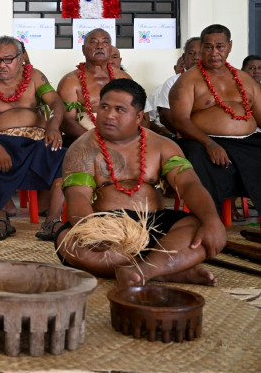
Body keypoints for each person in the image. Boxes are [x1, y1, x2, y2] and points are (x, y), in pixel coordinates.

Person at [54, 79, 226, 287]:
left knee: (201, 228)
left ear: (138, 117)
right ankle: (166, 269)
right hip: (107, 228)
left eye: (119, 109)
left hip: (155, 224)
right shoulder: (82, 149)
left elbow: (189, 184)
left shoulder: (162, 145)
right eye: (104, 107)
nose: (109, 115)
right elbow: (77, 196)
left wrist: (212, 220)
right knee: (68, 241)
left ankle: (143, 270)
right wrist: (92, 230)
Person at [0, 36, 66, 241]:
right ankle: (1, 218)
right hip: (3, 143)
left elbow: (56, 102)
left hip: (37, 142)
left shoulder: (35, 77)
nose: (1, 65)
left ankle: (52, 220)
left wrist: (54, 126)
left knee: (66, 156)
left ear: (21, 59)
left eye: (8, 59)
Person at [168, 24, 261, 214]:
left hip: (248, 142)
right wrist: (209, 144)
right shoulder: (188, 80)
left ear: (230, 46)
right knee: (198, 158)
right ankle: (209, 219)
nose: (214, 52)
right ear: (201, 47)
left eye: (220, 46)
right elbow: (180, 121)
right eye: (208, 47)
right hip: (202, 141)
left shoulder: (245, 79)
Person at [57, 28, 132, 142]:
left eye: (105, 42)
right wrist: (95, 141)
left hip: (120, 138)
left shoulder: (124, 78)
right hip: (85, 139)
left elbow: (133, 112)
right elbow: (66, 120)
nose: (100, 46)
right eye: (93, 42)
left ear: (110, 49)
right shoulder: (70, 81)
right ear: (83, 49)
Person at [145, 37, 201, 136]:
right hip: (180, 135)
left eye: (200, 53)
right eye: (191, 53)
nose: (196, 57)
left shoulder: (217, 80)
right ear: (184, 57)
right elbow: (164, 116)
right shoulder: (173, 82)